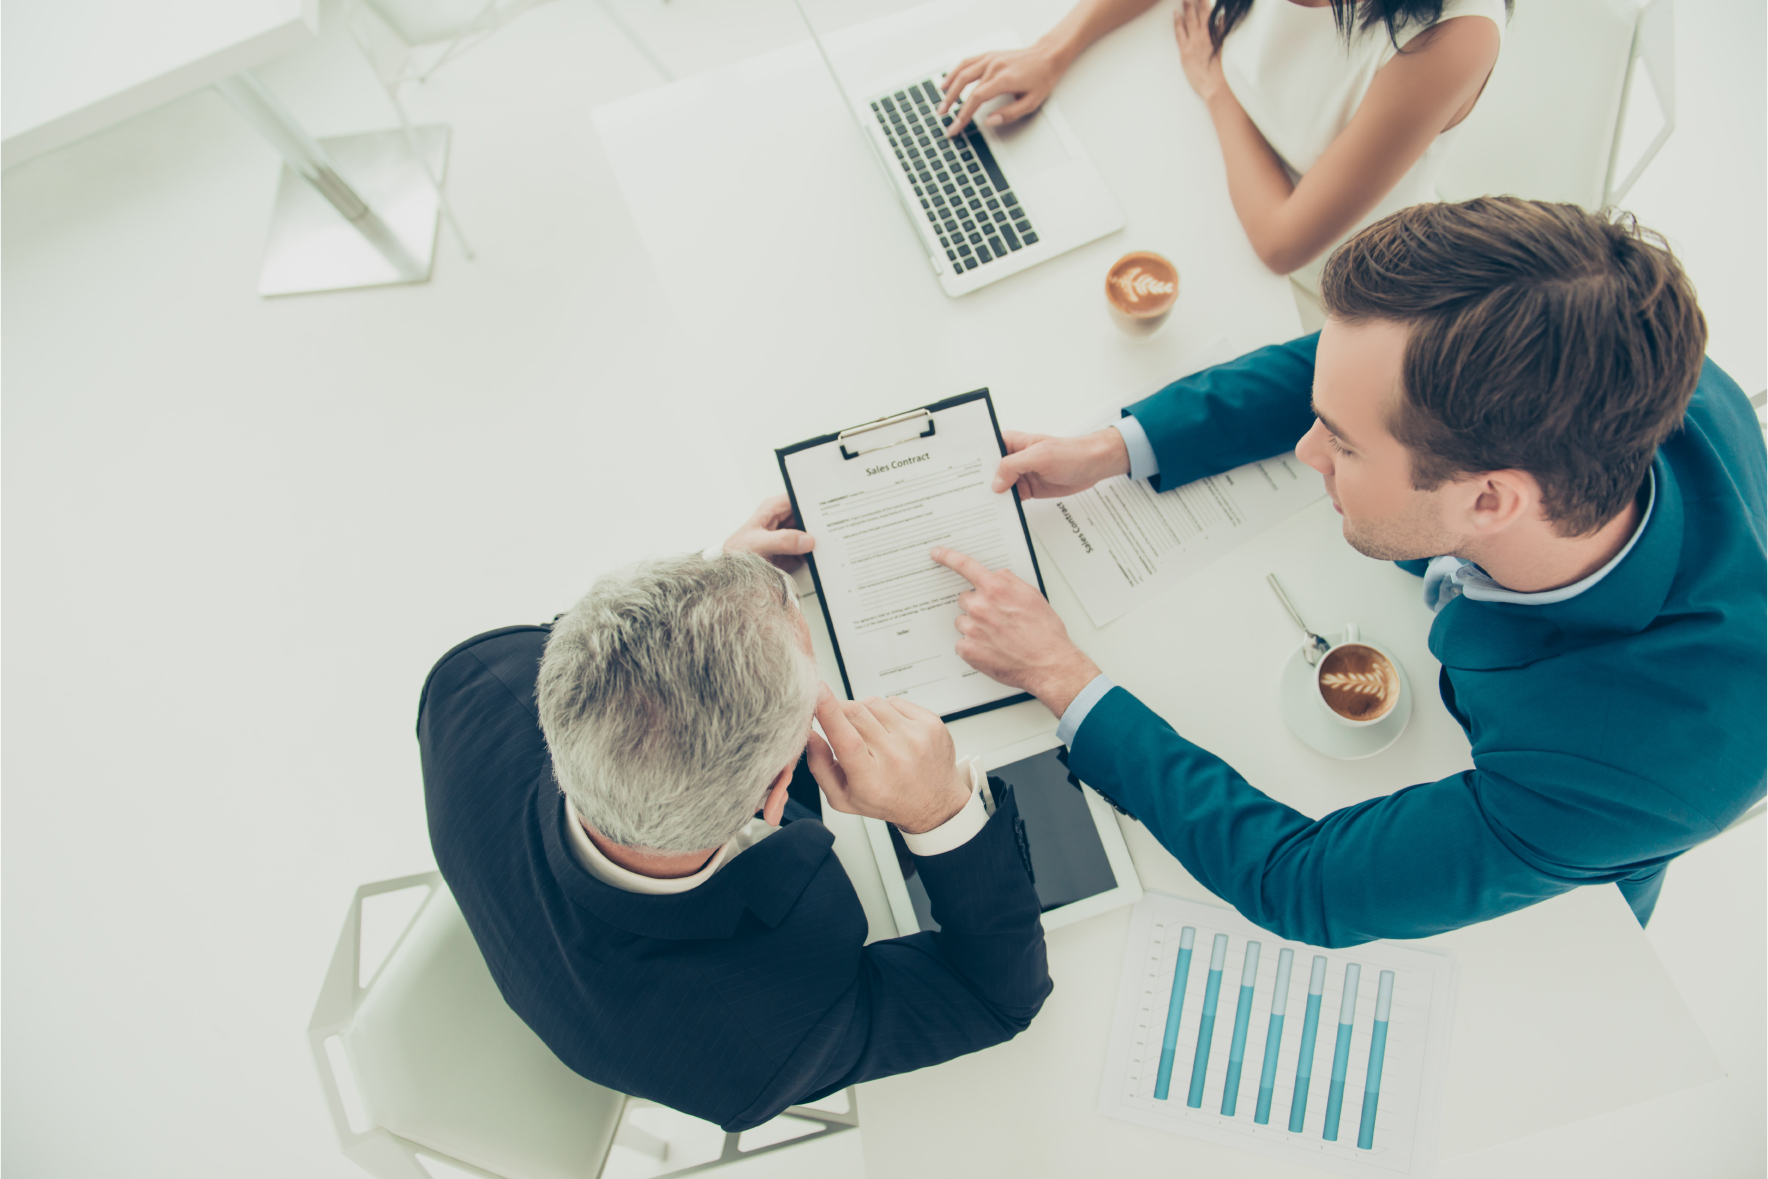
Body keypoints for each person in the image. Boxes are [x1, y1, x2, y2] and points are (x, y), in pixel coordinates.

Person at [928, 197, 1766, 947]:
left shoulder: (1636, 767)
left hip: (1545, 867)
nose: (1306, 449)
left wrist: (1060, 674)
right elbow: (1356, 372)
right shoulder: (1604, 365)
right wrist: (1117, 446)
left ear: (1489, 500)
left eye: (1344, 445)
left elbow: (1303, 884)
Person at [418, 497, 1051, 1131]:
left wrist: (715, 608)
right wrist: (939, 810)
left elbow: (595, 658)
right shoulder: (758, 1053)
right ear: (779, 787)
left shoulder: (471, 683)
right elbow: (993, 1000)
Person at [938, 0, 1505, 285]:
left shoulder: (1454, 37)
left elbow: (1283, 245)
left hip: (1326, 279)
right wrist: (1054, 49)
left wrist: (1215, 85)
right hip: (1204, 166)